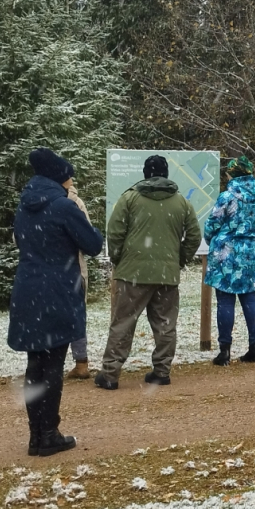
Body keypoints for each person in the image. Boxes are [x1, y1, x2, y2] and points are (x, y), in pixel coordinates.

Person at [10, 148, 104, 456]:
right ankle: (49, 434)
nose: (70, 181)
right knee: (53, 364)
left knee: (34, 364)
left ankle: (36, 435)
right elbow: (92, 245)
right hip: (57, 291)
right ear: (60, 178)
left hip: (28, 290)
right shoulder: (64, 207)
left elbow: (21, 242)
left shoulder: (24, 207)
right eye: (68, 177)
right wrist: (96, 232)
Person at [95, 155, 202, 390]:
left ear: (145, 173)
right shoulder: (182, 202)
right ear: (166, 174)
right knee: (165, 324)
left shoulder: (129, 198)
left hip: (132, 272)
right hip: (167, 273)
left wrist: (118, 259)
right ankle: (162, 371)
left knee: (122, 322)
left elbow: (115, 233)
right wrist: (179, 259)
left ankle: (110, 374)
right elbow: (194, 235)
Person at [204, 156, 255, 365]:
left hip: (226, 253)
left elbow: (212, 224)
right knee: (250, 299)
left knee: (225, 300)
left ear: (234, 173)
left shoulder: (227, 197)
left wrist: (213, 240)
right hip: (250, 251)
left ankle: (225, 351)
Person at [64, 181, 95, 380]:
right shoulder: (75, 203)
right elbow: (88, 236)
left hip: (44, 271)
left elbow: (18, 238)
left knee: (48, 317)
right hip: (74, 267)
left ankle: (46, 364)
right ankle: (81, 362)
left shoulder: (33, 201)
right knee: (76, 316)